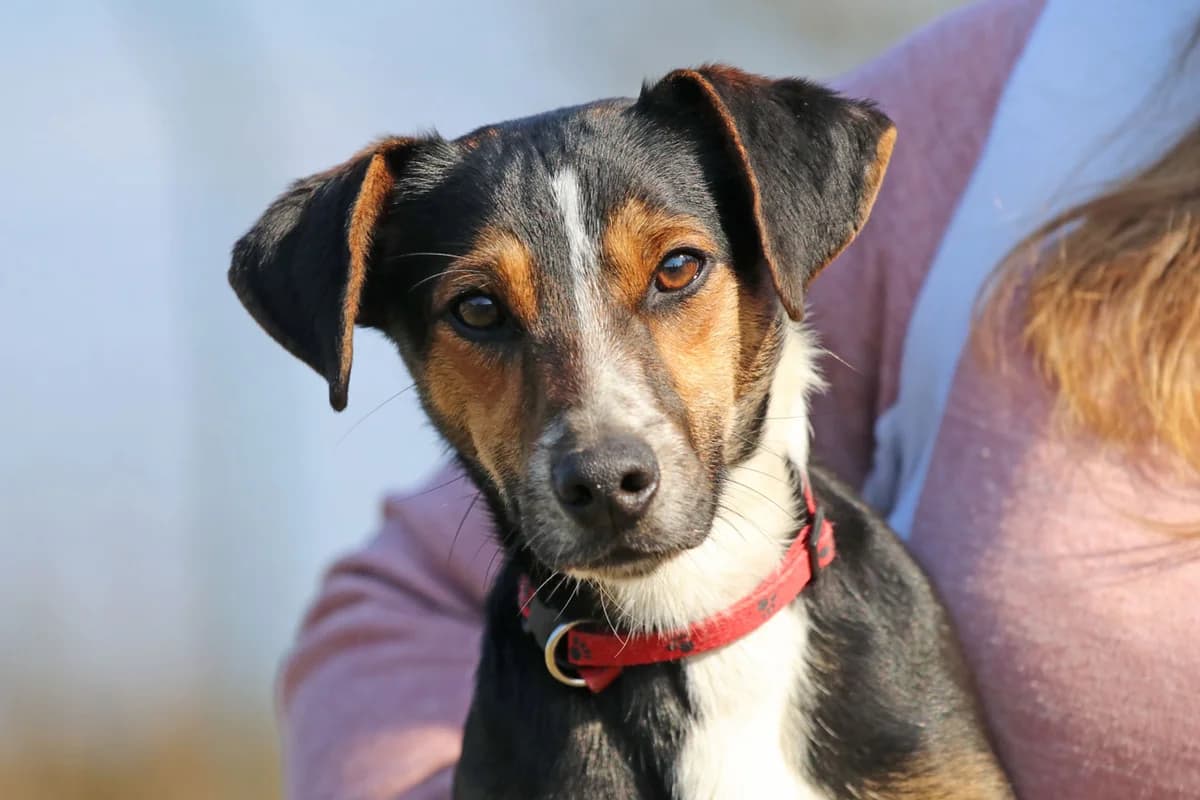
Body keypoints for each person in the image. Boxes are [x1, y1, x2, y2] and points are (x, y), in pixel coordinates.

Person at [278, 0, 1200, 797]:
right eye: (482, 312)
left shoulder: (908, 703)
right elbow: (393, 595)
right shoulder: (1052, 79)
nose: (601, 441)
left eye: (674, 272)